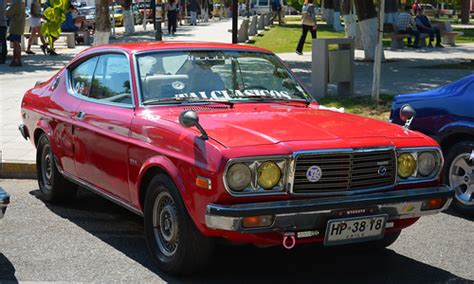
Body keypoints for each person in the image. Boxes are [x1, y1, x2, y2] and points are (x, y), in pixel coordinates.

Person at [5, 0, 25, 66]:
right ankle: (16, 60)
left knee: (16, 43)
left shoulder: (15, 3)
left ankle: (16, 60)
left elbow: (8, 13)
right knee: (17, 43)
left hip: (15, 25)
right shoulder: (22, 3)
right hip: (20, 25)